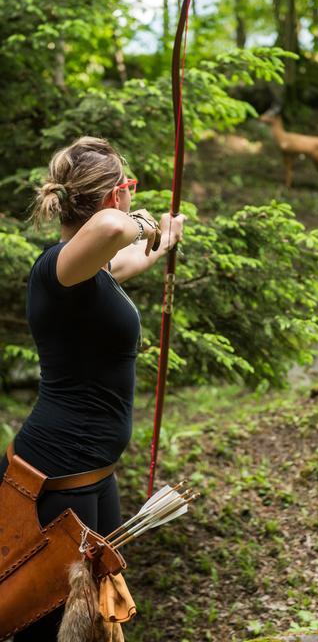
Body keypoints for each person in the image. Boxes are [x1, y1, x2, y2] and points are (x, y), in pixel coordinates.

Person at [0, 136, 185, 640]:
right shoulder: (56, 269)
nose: (131, 196)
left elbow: (122, 261)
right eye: (127, 187)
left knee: (98, 621)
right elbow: (112, 228)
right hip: (57, 480)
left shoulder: (88, 273)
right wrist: (141, 222)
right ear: (112, 197)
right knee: (46, 628)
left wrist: (161, 241)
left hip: (93, 476)